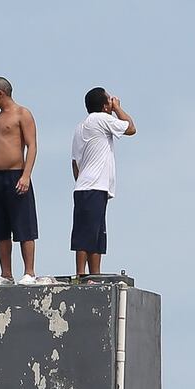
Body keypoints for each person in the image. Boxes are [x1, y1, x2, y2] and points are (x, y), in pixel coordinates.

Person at [0, 77, 42, 285]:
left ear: (0, 93)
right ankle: (6, 274)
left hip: (16, 174)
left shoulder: (22, 114)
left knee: (24, 225)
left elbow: (32, 145)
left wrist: (26, 175)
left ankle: (29, 272)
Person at [71, 87, 136, 276]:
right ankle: (81, 275)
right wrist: (117, 108)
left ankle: (94, 275)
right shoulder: (101, 119)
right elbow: (130, 127)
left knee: (96, 234)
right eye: (109, 100)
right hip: (93, 186)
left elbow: (75, 163)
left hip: (87, 186)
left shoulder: (80, 127)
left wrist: (81, 181)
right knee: (86, 234)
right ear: (104, 105)